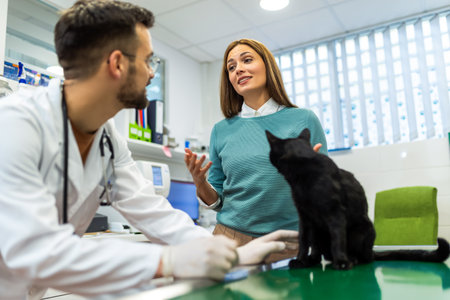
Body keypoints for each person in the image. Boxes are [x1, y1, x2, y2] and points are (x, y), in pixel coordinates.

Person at [0, 2, 298, 299]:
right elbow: (34, 250)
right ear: (117, 64)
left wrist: (230, 252)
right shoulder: (15, 124)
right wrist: (164, 261)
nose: (152, 74)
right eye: (148, 61)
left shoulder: (108, 140)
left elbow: (154, 212)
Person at [185, 38, 328, 262]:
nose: (238, 69)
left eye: (247, 60)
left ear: (267, 66)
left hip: (288, 242)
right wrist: (200, 183)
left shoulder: (303, 119)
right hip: (230, 240)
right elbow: (217, 201)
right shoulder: (221, 130)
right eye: (231, 67)